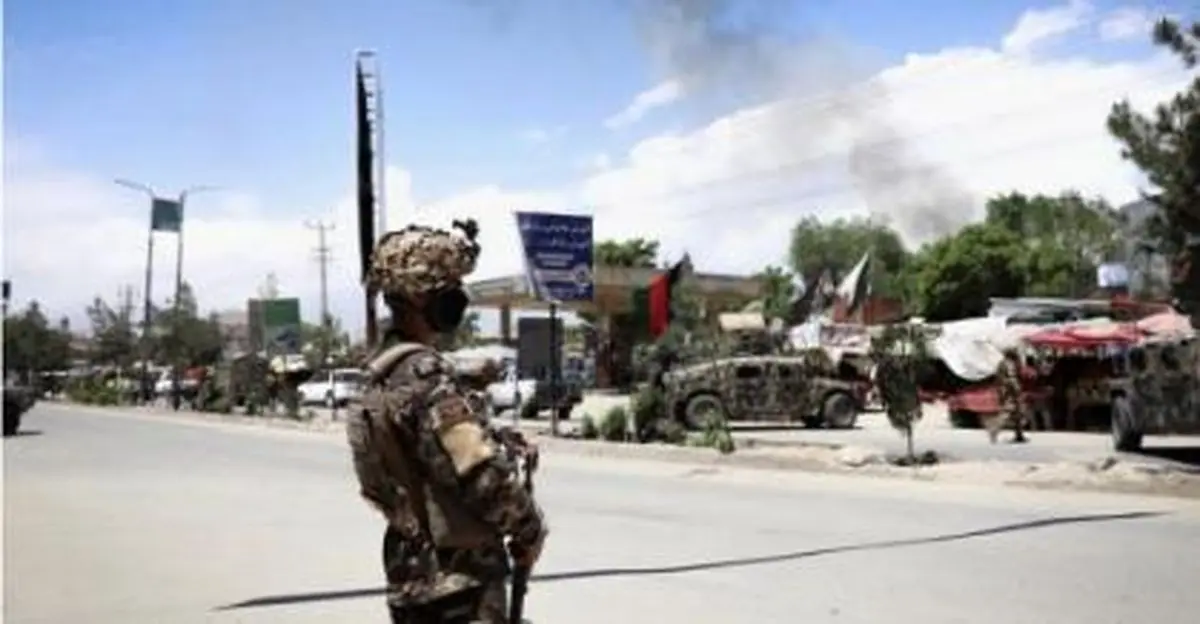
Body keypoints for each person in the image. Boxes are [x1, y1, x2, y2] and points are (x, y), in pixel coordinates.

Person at [345, 221, 547, 624]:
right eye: (449, 289)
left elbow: (413, 465)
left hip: (408, 574)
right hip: (459, 580)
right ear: (423, 297)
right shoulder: (426, 376)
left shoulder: (378, 376)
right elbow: (479, 475)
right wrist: (529, 529)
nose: (458, 299)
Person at [993, 349, 1028, 444]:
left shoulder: (1002, 363)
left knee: (1016, 413)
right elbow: (1010, 377)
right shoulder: (1009, 364)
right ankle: (995, 430)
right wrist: (1016, 389)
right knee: (1010, 412)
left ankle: (1019, 435)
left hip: (1007, 390)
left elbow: (999, 378)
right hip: (1010, 391)